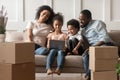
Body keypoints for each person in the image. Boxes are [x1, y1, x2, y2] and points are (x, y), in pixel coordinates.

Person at [79, 9, 114, 80]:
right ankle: (89, 76)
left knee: (95, 52)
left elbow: (105, 38)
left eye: (83, 20)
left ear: (89, 19)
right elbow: (87, 45)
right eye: (79, 19)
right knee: (85, 54)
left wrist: (93, 47)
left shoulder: (98, 23)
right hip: (93, 48)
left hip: (104, 45)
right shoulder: (83, 31)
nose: (80, 22)